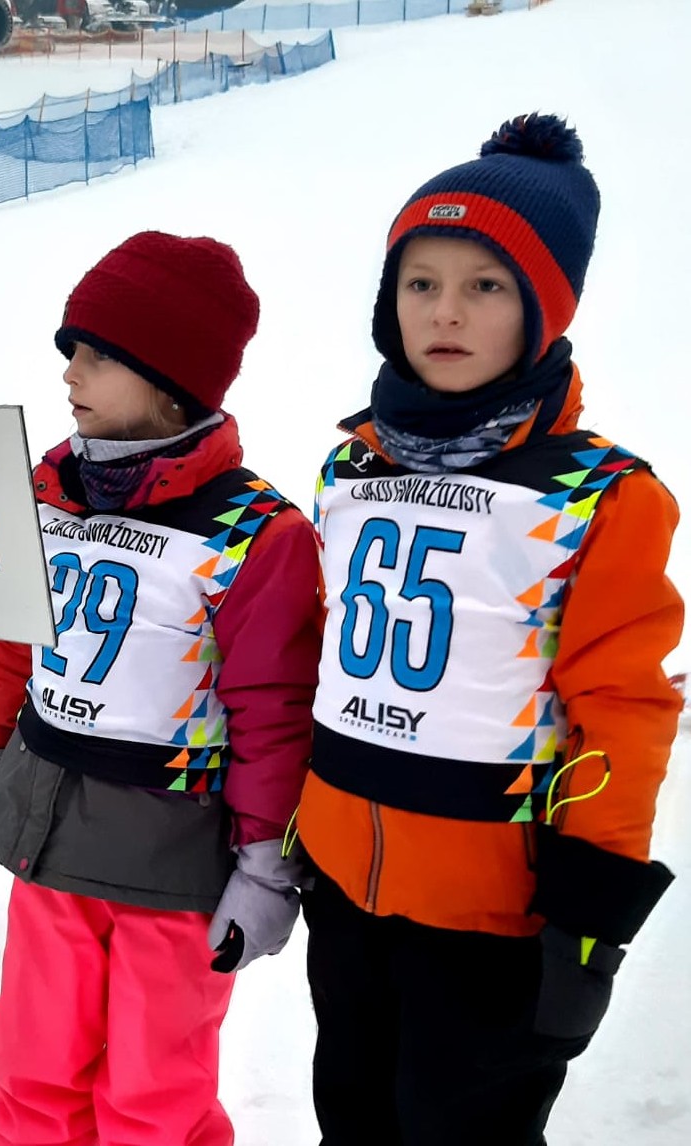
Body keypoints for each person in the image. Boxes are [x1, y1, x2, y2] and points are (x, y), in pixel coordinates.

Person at [300, 114, 682, 1145]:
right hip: (344, 885)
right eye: (419, 282)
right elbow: (325, 653)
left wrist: (590, 910)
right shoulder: (351, 467)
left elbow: (622, 707)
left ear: (543, 310)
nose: (445, 311)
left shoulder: (597, 494)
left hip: (492, 913)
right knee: (352, 1119)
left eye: (486, 286)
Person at [0, 231, 321, 1144]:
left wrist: (265, 865)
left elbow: (274, 717)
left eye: (99, 355)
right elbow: (11, 643)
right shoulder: (48, 492)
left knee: (153, 1098)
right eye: (71, 348)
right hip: (50, 846)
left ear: (170, 380)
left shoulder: (254, 535)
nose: (70, 371)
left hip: (173, 867)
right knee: (32, 1070)